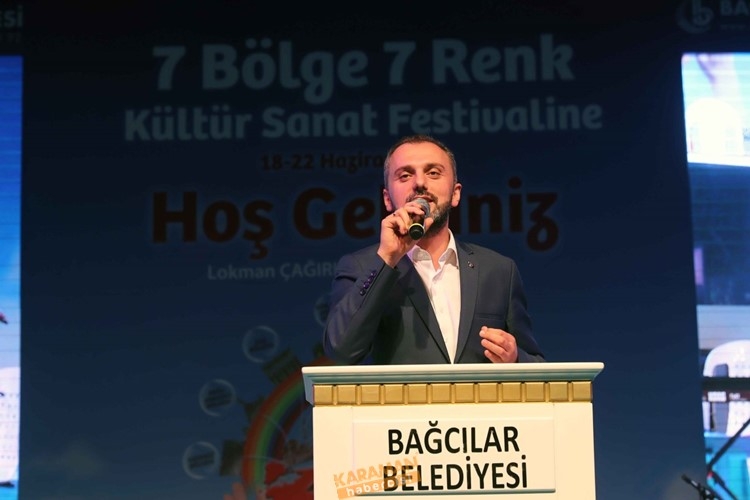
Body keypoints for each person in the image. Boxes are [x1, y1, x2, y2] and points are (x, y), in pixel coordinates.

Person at [323, 134, 544, 365]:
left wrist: (515, 358)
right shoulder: (361, 266)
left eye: (433, 173)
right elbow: (340, 351)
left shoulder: (499, 270)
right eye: (405, 175)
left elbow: (536, 364)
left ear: (455, 193)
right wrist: (387, 259)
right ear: (387, 199)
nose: (420, 183)